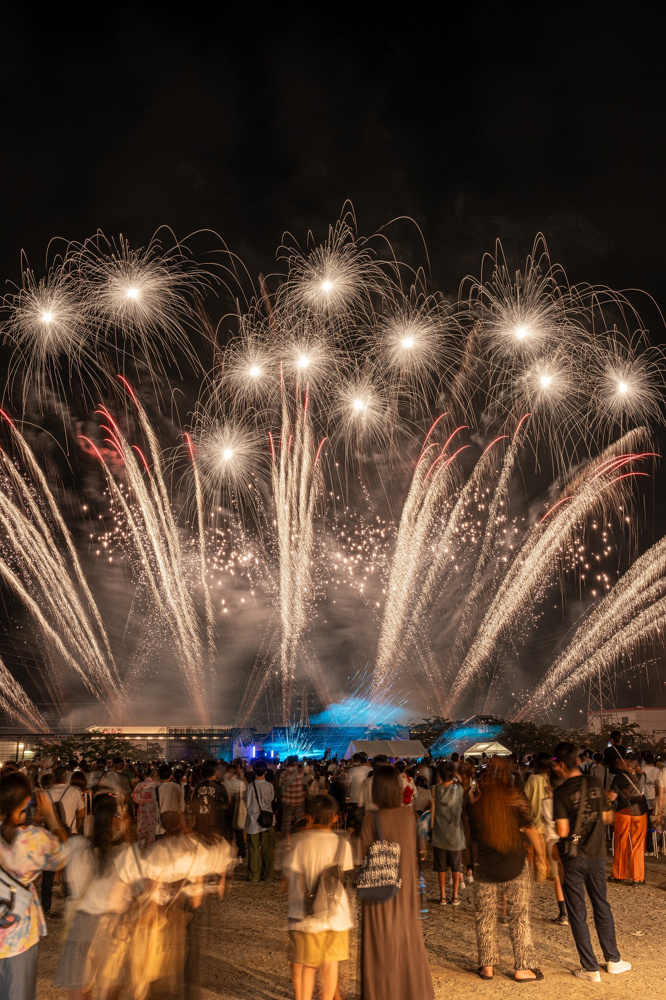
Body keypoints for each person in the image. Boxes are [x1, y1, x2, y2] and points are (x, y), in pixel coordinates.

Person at [552, 741, 631, 981]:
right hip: (596, 854)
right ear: (578, 761)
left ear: (560, 765)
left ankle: (590, 968)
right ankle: (613, 959)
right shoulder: (595, 783)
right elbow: (607, 816)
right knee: (601, 905)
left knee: (577, 911)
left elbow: (563, 831)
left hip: (573, 857)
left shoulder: (561, 792)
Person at [52, 792, 143, 1000]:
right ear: (118, 821)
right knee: (107, 989)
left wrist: (52, 817)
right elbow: (136, 892)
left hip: (81, 923)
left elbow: (62, 859)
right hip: (113, 927)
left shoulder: (76, 846)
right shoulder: (127, 854)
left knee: (78, 988)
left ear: (92, 819)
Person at [359, 764, 433, 1000]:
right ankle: (411, 991)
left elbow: (362, 856)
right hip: (406, 890)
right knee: (408, 940)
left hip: (380, 890)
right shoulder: (410, 816)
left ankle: (382, 993)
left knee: (380, 944)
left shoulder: (372, 819)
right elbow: (421, 849)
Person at [470, 756, 544, 981]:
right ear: (507, 773)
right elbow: (529, 827)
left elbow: (472, 835)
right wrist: (542, 858)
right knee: (519, 915)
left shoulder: (478, 800)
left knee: (485, 916)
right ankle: (523, 967)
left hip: (485, 865)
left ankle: (487, 966)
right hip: (515, 863)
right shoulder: (515, 796)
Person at [0, 771, 70, 1000]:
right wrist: (51, 818)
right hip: (18, 934)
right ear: (25, 802)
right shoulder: (34, 839)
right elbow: (64, 854)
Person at [283, 794, 353, 1000]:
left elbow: (298, 880)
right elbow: (340, 877)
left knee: (308, 967)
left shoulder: (301, 843)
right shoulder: (343, 845)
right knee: (331, 966)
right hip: (337, 914)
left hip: (309, 916)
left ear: (309, 817)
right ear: (335, 818)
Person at [608, 753, 648, 884]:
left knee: (621, 842)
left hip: (623, 812)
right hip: (640, 812)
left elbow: (612, 797)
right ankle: (638, 878)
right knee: (638, 844)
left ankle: (619, 874)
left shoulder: (619, 778)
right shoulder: (643, 776)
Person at [431, 761, 465, 906]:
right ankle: (455, 896)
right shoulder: (458, 789)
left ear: (439, 774)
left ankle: (443, 896)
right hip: (455, 834)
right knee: (456, 866)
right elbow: (460, 782)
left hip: (439, 833)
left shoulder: (435, 789)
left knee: (441, 866)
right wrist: (455, 775)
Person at [245, 760, 275, 882]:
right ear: (266, 771)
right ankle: (268, 875)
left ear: (253, 771)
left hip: (253, 820)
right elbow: (271, 799)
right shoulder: (270, 786)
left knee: (253, 848)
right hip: (267, 820)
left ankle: (254, 875)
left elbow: (247, 803)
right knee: (267, 848)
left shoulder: (250, 787)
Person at [523, 752, 552, 882]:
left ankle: (541, 875)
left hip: (536, 818)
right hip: (550, 820)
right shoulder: (550, 779)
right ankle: (550, 871)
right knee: (548, 849)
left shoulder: (532, 779)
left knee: (538, 850)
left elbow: (526, 798)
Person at [190, 762, 231, 843]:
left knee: (203, 846)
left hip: (201, 823)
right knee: (215, 846)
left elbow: (193, 807)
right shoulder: (220, 787)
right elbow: (225, 807)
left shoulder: (198, 786)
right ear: (215, 772)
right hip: (216, 823)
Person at [131, 769, 159, 849]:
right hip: (154, 808)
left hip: (142, 808)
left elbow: (134, 796)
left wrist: (140, 801)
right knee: (152, 827)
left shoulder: (140, 785)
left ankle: (141, 844)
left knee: (142, 826)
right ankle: (151, 845)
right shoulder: (157, 784)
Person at [155, 763, 185, 837]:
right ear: (171, 775)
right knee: (175, 841)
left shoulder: (156, 789)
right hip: (175, 820)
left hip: (161, 823)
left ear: (158, 776)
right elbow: (181, 806)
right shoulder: (177, 787)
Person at [280, 758, 306, 836]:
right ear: (296, 763)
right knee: (299, 821)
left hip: (288, 801)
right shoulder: (301, 772)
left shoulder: (284, 774)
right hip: (299, 801)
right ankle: (298, 838)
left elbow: (281, 785)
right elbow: (304, 783)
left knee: (287, 822)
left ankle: (288, 840)